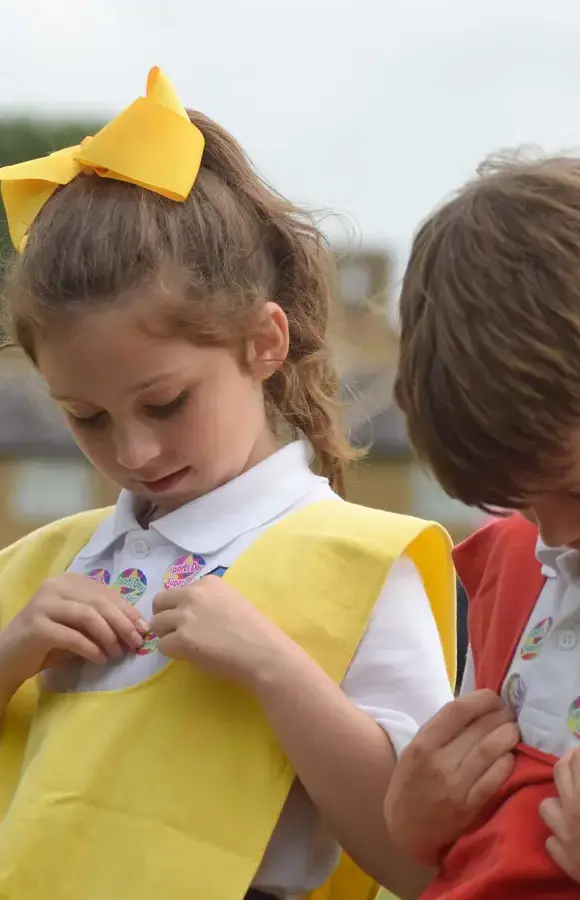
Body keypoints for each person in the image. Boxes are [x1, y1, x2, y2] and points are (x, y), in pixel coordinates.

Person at [0, 68, 456, 900]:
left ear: (264, 343)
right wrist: (10, 655)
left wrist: (274, 669)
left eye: (166, 402)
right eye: (85, 417)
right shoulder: (35, 568)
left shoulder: (361, 562)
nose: (132, 451)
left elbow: (418, 862)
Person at [384, 151, 580, 898]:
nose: (555, 539)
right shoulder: (509, 565)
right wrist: (413, 822)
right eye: (524, 503)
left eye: (574, 490)